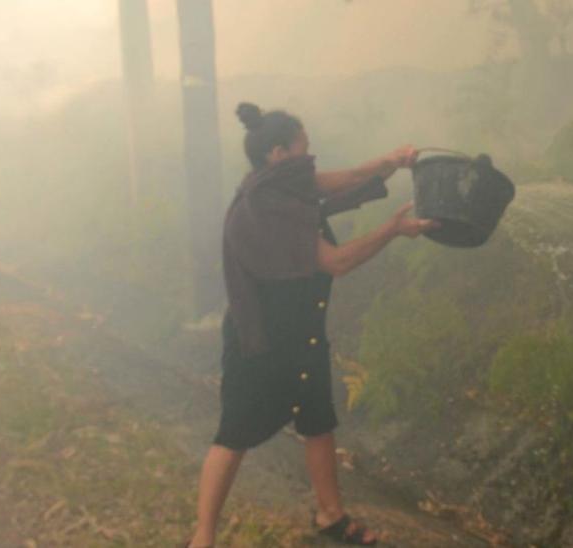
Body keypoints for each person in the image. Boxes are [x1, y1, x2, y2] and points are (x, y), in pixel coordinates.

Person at [184, 102, 436, 547]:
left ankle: (330, 516)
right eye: (304, 148)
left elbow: (341, 179)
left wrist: (389, 163)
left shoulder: (283, 186)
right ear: (278, 153)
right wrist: (391, 231)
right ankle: (202, 538)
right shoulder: (265, 204)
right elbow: (335, 261)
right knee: (234, 433)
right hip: (261, 340)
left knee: (318, 421)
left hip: (302, 331)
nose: (311, 158)